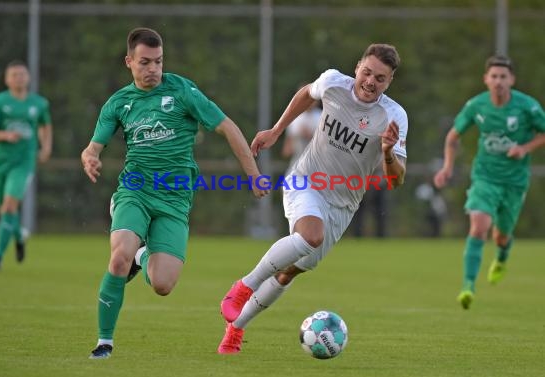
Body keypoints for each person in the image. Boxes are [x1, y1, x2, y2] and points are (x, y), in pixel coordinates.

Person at [81, 27, 269, 359]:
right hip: (134, 191)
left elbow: (228, 127)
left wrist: (253, 176)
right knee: (118, 257)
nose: (153, 69)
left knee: (163, 285)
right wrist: (91, 156)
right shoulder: (119, 103)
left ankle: (143, 256)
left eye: (158, 62)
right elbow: (93, 146)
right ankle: (104, 342)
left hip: (174, 199)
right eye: (145, 62)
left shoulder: (183, 91)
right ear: (129, 62)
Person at [217, 43, 408, 354]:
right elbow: (307, 93)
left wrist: (387, 153)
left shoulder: (393, 116)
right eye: (368, 72)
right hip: (306, 180)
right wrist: (278, 130)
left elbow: (396, 179)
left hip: (343, 205)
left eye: (381, 78)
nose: (371, 81)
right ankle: (243, 287)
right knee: (310, 237)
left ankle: (235, 329)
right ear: (357, 67)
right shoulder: (334, 82)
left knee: (290, 269)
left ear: (389, 82)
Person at [433, 55, 545, 310]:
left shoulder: (527, 107)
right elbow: (453, 137)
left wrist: (525, 148)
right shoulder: (476, 106)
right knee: (478, 227)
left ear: (512, 80)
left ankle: (502, 257)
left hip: (514, 183)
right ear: (486, 79)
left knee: (501, 236)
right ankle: (468, 286)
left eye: (503, 77)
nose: (498, 82)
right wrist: (447, 167)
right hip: (484, 178)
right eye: (493, 76)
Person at [0, 60, 53, 270]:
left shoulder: (39, 103)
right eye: (14, 75)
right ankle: (18, 236)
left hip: (24, 162)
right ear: (7, 79)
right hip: (0, 163)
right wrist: (5, 134)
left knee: (10, 206)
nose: (19, 78)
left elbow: (45, 126)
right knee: (5, 211)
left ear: (28, 77)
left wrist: (46, 147)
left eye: (22, 74)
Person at [280, 88, 321, 174]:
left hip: (316, 163)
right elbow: (287, 148)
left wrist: (310, 135)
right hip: (297, 161)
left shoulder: (321, 116)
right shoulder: (295, 117)